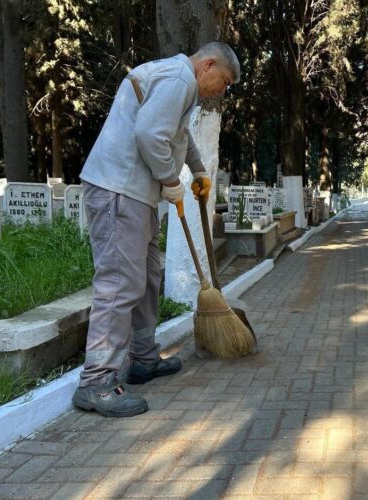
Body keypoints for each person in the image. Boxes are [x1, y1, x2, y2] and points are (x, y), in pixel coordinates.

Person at [72, 42, 241, 417]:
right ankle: (96, 381)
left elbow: (178, 134)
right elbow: (150, 134)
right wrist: (170, 178)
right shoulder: (180, 78)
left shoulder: (180, 82)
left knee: (148, 276)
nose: (222, 90)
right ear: (208, 64)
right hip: (119, 188)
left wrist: (197, 168)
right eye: (224, 81)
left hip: (135, 194)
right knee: (119, 282)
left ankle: (143, 359)